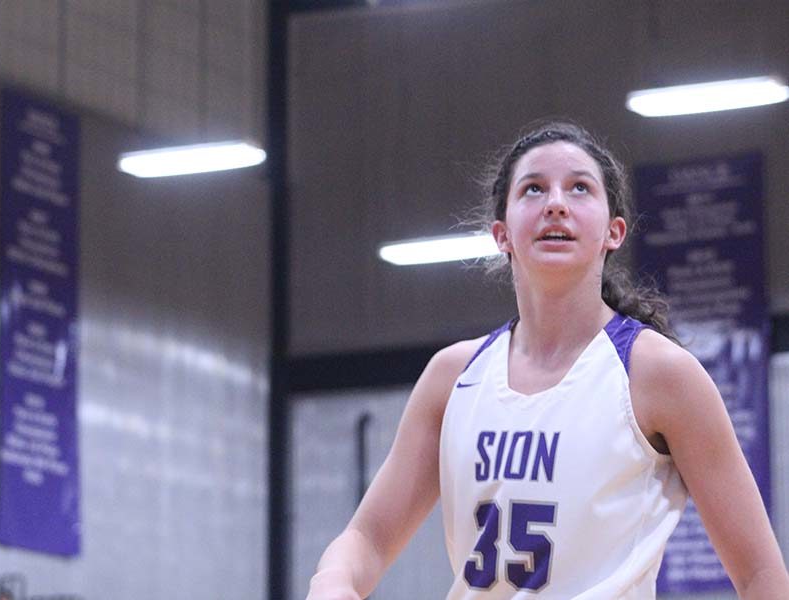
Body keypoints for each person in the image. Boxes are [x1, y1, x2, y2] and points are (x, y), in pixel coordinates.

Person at [305, 121, 789, 599]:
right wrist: (333, 583)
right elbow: (367, 538)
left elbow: (761, 575)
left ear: (613, 231)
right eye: (533, 189)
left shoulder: (659, 374)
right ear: (502, 234)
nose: (556, 202)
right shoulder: (453, 376)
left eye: (579, 188)